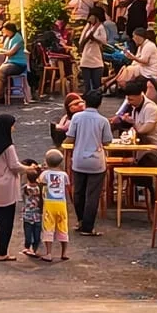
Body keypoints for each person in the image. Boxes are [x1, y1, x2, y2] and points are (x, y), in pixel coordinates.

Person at [0, 113, 29, 261]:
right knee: (6, 219)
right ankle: (2, 252)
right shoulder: (8, 146)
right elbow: (14, 166)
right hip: (5, 186)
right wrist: (30, 169)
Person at [66, 90, 112, 236]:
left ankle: (80, 220)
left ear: (85, 102)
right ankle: (88, 226)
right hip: (96, 161)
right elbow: (107, 141)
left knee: (78, 192)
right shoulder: (103, 121)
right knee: (92, 195)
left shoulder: (77, 118)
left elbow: (70, 137)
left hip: (79, 159)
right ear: (100, 103)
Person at [111, 80, 157, 167]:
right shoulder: (134, 107)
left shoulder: (151, 109)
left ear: (140, 95)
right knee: (115, 154)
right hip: (139, 149)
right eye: (128, 99)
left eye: (131, 99)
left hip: (152, 151)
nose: (129, 102)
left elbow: (142, 130)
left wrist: (132, 121)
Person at [38, 149, 72, 262]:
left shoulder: (45, 174)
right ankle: (64, 252)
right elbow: (68, 189)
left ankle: (48, 253)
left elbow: (41, 187)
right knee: (63, 227)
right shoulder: (64, 175)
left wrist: (40, 203)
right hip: (61, 204)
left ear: (46, 162)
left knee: (48, 227)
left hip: (49, 203)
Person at [0, 23, 28, 106]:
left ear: (8, 30)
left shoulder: (18, 39)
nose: (2, 31)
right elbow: (3, 48)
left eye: (3, 29)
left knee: (1, 72)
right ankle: (1, 94)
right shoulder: (8, 38)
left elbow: (10, 52)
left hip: (18, 64)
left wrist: (1, 51)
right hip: (9, 63)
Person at [120, 25, 157, 101]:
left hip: (152, 72)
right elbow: (136, 59)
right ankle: (123, 84)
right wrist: (132, 59)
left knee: (130, 70)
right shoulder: (141, 46)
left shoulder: (149, 46)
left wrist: (133, 58)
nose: (133, 39)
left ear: (139, 37)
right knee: (128, 69)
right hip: (144, 68)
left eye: (134, 37)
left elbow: (144, 61)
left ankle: (124, 85)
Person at [78, 5, 109, 94]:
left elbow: (104, 41)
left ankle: (96, 100)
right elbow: (81, 41)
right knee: (87, 85)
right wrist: (88, 37)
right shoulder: (87, 27)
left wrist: (94, 39)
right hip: (86, 58)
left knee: (96, 85)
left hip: (96, 60)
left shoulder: (100, 28)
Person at [21, 167, 44, 258]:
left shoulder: (26, 188)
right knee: (37, 231)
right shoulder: (40, 188)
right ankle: (35, 248)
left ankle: (27, 247)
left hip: (27, 214)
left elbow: (23, 198)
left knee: (28, 231)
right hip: (38, 214)